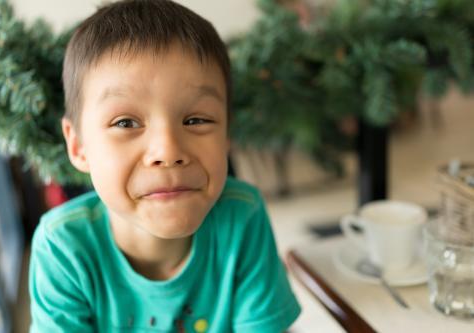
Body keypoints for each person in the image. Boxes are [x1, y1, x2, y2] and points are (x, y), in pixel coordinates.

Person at [28, 1, 301, 332]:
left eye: (196, 119)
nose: (168, 151)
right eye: (126, 122)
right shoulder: (62, 248)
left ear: (227, 132)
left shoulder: (243, 217)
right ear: (78, 146)